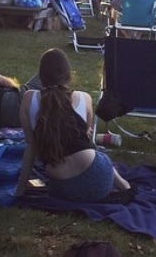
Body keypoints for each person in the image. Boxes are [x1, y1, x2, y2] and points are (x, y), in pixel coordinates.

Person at [16, 48, 130, 201]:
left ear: (41, 75)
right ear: (68, 74)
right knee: (97, 153)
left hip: (63, 188)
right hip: (100, 180)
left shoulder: (28, 99)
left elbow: (31, 146)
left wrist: (21, 187)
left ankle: (122, 185)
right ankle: (124, 185)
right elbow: (85, 138)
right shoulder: (85, 98)